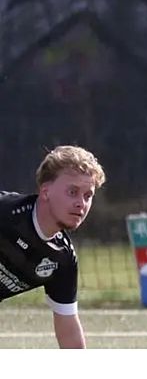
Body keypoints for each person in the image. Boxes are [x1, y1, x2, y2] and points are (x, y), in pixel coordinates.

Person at [0, 145, 106, 348]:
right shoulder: (5, 212)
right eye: (72, 192)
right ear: (45, 191)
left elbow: (68, 330)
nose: (81, 204)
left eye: (88, 196)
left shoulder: (62, 259)